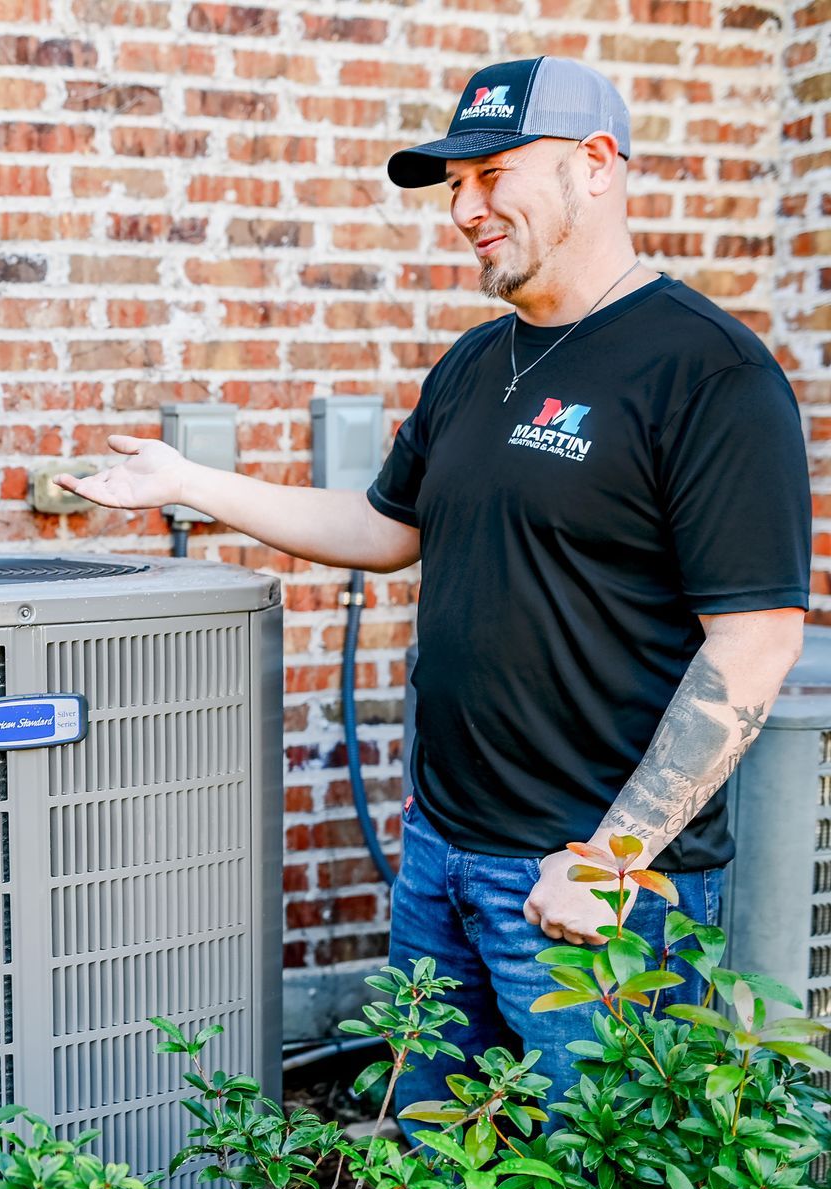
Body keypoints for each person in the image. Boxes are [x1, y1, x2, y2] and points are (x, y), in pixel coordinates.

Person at [60, 57, 808, 1120]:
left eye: (493, 173)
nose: (465, 209)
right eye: (453, 184)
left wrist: (610, 860)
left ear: (595, 165)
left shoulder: (709, 373)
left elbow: (755, 642)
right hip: (443, 862)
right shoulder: (473, 362)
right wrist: (187, 483)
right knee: (430, 1174)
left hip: (589, 893)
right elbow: (382, 527)